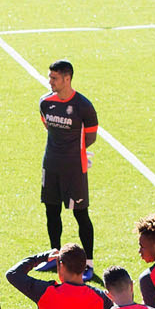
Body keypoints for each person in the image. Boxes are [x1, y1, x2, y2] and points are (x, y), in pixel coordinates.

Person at [38, 59, 98, 276]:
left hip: (74, 169)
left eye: (54, 78)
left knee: (81, 215)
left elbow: (90, 137)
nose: (50, 81)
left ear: (67, 78)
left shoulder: (84, 106)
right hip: (51, 165)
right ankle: (55, 256)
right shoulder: (45, 102)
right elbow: (48, 126)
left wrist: (76, 152)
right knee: (51, 212)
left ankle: (89, 263)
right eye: (49, 77)